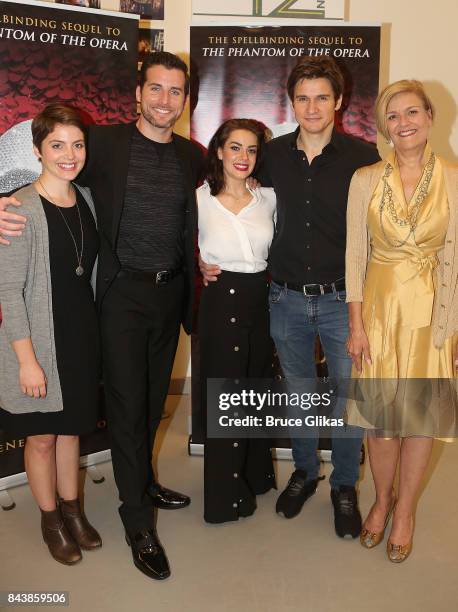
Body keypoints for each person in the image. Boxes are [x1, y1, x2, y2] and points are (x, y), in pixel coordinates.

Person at [0, 52, 204, 580]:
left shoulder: (191, 155)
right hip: (117, 299)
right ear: (138, 93)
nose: (165, 100)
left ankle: (142, 481)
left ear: (186, 100)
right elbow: (42, 174)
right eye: (155, 89)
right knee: (126, 409)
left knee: (153, 402)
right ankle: (138, 521)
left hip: (169, 294)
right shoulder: (104, 145)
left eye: (175, 91)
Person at [201, 56, 380, 538]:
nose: (312, 106)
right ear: (292, 103)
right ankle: (305, 472)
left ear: (339, 102)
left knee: (346, 398)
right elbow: (227, 206)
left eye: (322, 96)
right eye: (303, 97)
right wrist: (203, 254)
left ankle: (345, 485)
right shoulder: (272, 156)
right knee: (299, 395)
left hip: (345, 301)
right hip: (284, 298)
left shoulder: (364, 157)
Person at [345, 80, 458, 562]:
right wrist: (355, 325)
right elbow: (354, 256)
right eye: (393, 115)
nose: (404, 122)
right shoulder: (366, 178)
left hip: (434, 314)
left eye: (413, 112)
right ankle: (381, 498)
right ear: (383, 126)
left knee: (420, 419)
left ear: (430, 117)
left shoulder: (455, 178)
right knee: (380, 420)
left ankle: (405, 510)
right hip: (378, 310)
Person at [0, 104, 102, 565]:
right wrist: (26, 360)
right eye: (57, 145)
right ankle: (51, 520)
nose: (69, 154)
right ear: (38, 150)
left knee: (71, 432)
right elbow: (9, 289)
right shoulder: (19, 206)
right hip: (38, 341)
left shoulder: (87, 199)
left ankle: (73, 509)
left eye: (76, 144)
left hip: (80, 336)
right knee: (41, 438)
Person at [197, 118, 277, 523]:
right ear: (219, 151)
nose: (243, 157)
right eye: (235, 147)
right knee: (226, 398)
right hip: (219, 301)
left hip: (260, 300)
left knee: (256, 392)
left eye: (251, 149)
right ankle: (225, 498)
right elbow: (181, 244)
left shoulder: (269, 199)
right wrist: (197, 261)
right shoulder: (198, 199)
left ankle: (254, 478)